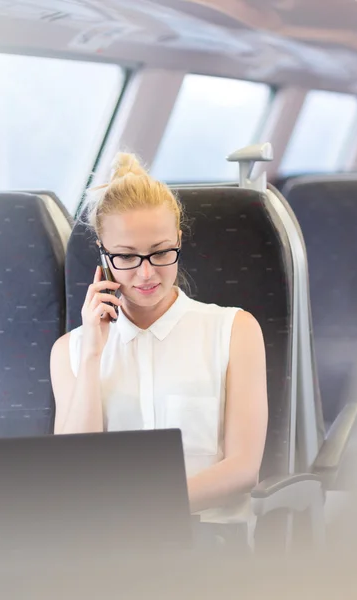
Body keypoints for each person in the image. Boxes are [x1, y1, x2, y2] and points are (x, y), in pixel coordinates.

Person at [50, 152, 268, 549]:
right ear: (103, 254)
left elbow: (243, 470)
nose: (146, 273)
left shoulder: (234, 330)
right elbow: (69, 474)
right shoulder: (72, 350)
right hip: (107, 550)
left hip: (208, 541)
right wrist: (93, 353)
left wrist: (146, 509)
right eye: (127, 257)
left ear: (179, 241)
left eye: (161, 252)